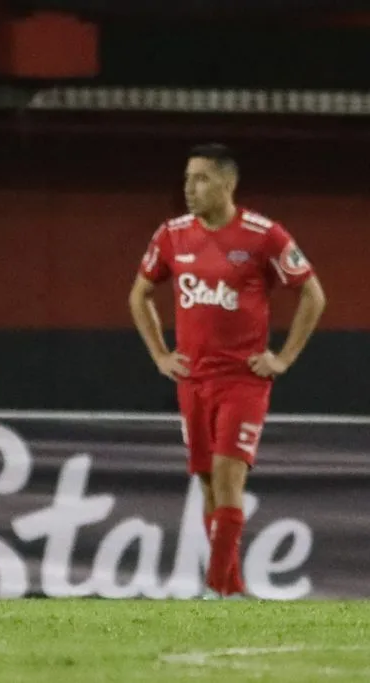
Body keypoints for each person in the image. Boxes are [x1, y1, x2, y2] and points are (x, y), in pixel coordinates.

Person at [128, 143, 327, 599]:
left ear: (227, 183)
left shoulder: (263, 235)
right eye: (187, 179)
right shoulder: (172, 235)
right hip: (193, 379)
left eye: (201, 179)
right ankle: (231, 587)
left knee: (226, 475)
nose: (190, 189)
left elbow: (313, 294)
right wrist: (160, 355)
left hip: (242, 380)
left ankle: (215, 589)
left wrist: (283, 358)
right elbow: (139, 295)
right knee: (207, 482)